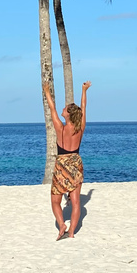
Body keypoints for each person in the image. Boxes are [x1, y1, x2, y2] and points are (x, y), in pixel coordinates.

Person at [43, 80, 90, 240]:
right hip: (76, 163)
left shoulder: (60, 128)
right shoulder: (80, 127)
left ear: (68, 114)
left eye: (65, 109)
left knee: (55, 200)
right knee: (76, 201)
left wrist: (47, 91)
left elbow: (52, 108)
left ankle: (62, 224)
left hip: (62, 164)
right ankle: (71, 233)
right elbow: (83, 108)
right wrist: (84, 90)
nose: (62, 110)